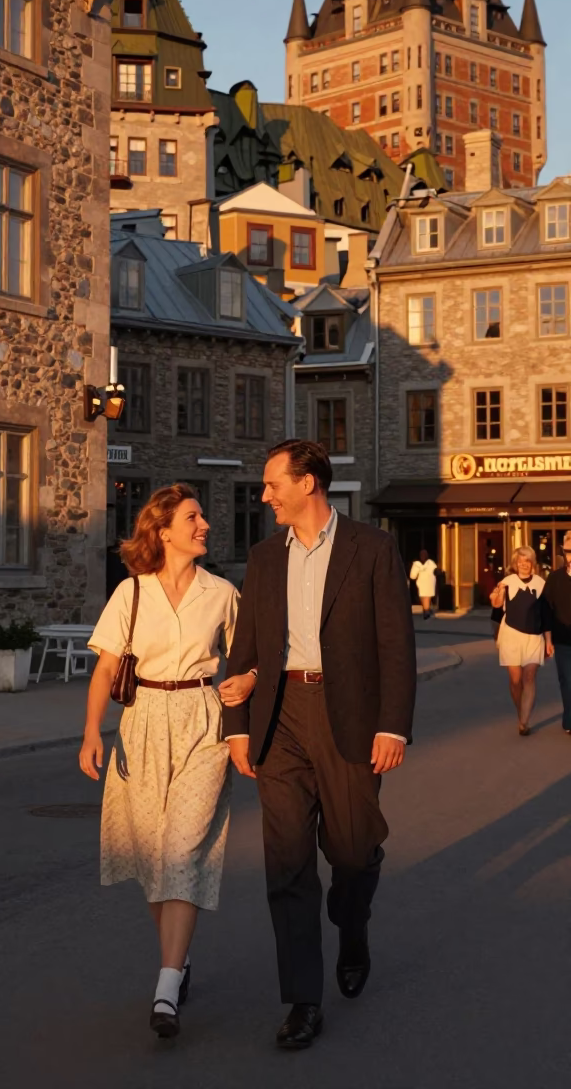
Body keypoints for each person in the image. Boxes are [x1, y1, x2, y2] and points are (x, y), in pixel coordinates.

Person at [218, 440, 416, 1051]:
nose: (265, 494)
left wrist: (393, 724)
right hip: (280, 719)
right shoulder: (262, 557)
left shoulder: (373, 548)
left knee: (353, 853)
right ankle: (303, 1000)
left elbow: (396, 645)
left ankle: (352, 923)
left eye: (273, 482)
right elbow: (247, 648)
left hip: (350, 716)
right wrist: (238, 726)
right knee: (288, 864)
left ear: (307, 483)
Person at [79, 484, 238, 1040]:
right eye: (193, 517)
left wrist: (246, 688)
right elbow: (104, 669)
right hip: (141, 721)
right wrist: (90, 734)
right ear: (164, 530)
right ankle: (181, 959)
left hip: (202, 718)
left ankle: (166, 986)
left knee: (182, 849)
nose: (205, 526)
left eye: (203, 516)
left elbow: (248, 660)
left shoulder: (222, 593)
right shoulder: (132, 593)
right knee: (152, 854)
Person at [489, 546, 552, 736]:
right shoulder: (507, 581)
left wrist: (549, 640)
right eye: (520, 561)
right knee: (516, 680)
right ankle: (520, 712)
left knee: (529, 676)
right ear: (515, 564)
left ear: (532, 563)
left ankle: (524, 722)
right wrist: (498, 594)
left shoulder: (541, 584)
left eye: (527, 561)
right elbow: (497, 605)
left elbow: (547, 614)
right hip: (511, 635)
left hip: (534, 637)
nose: (524, 565)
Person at [540, 532, 571, 735]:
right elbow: (545, 609)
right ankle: (569, 720)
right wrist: (548, 639)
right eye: (568, 551)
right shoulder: (555, 578)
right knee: (567, 680)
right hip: (562, 640)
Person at [409, 549, 437, 619]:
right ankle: (426, 611)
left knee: (427, 597)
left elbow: (435, 571)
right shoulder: (416, 564)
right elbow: (412, 576)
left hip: (429, 584)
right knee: (423, 597)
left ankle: (426, 611)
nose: (423, 556)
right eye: (422, 554)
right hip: (421, 584)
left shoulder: (431, 563)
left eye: (425, 554)